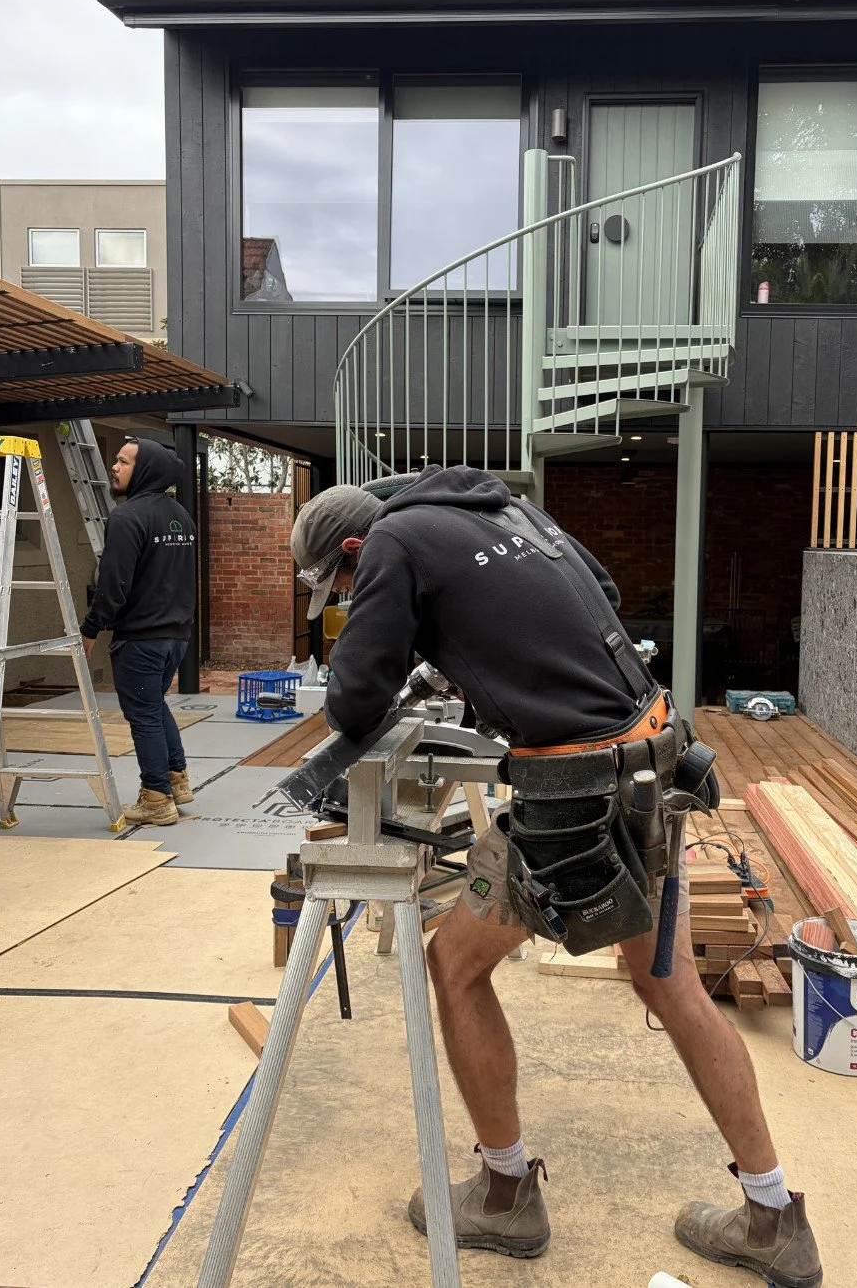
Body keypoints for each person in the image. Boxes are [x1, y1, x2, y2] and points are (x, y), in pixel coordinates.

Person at [292, 465, 823, 1288]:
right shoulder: (501, 507)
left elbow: (355, 701)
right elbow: (601, 590)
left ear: (356, 547)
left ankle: (505, 1193)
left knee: (453, 963)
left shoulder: (392, 542)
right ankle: (773, 1214)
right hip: (654, 749)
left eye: (345, 586)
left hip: (578, 788)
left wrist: (430, 644)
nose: (351, 597)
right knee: (672, 985)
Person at [80, 438, 197, 827]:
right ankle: (176, 780)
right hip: (176, 636)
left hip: (141, 638)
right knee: (154, 705)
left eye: (123, 461)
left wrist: (90, 629)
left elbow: (113, 585)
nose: (114, 467)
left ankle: (156, 799)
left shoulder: (127, 517)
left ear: (144, 469)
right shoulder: (180, 515)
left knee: (144, 714)